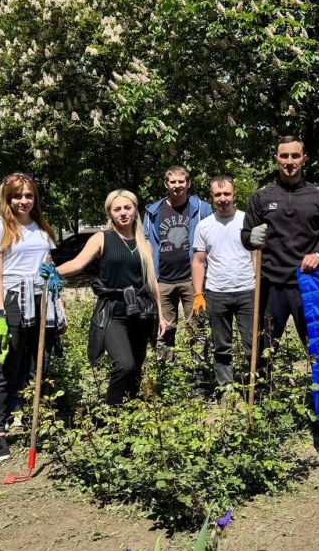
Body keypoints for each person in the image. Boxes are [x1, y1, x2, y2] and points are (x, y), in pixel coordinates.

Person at [51, 190, 166, 404]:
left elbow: (152, 282)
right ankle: (110, 416)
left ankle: (129, 416)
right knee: (124, 364)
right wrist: (53, 271)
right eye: (117, 209)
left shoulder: (145, 244)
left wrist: (160, 314)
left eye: (127, 208)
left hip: (141, 312)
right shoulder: (102, 238)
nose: (123, 213)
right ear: (110, 213)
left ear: (135, 209)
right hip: (113, 312)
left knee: (136, 369)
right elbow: (77, 264)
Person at [241, 136, 319, 371]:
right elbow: (246, 236)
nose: (289, 161)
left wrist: (318, 253)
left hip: (308, 283)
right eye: (284, 156)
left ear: (304, 159)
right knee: (263, 348)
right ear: (276, 159)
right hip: (270, 285)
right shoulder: (261, 197)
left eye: (295, 156)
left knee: (317, 346)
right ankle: (262, 402)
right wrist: (251, 238)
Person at [0, 173, 63, 462]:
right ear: (7, 198)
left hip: (42, 301)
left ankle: (34, 422)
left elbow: (50, 272)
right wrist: (0, 315)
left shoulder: (42, 229)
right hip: (14, 301)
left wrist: (60, 306)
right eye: (17, 196)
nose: (23, 201)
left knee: (37, 365)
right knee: (7, 366)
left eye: (28, 195)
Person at [191, 175, 256, 392]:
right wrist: (198, 294)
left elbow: (256, 255)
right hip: (217, 293)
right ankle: (226, 390)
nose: (222, 198)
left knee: (252, 344)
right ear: (212, 196)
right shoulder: (204, 226)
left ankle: (256, 387)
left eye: (226, 193)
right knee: (222, 346)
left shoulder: (247, 221)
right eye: (217, 194)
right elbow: (199, 261)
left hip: (247, 290)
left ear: (234, 194)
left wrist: (259, 285)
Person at [144, 166, 212, 355]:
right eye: (173, 182)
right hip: (163, 280)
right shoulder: (153, 211)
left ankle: (199, 374)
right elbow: (146, 241)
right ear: (166, 184)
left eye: (181, 181)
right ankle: (166, 373)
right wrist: (150, 275)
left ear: (188, 183)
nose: (177, 186)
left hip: (192, 280)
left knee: (197, 328)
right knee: (164, 329)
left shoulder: (202, 209)